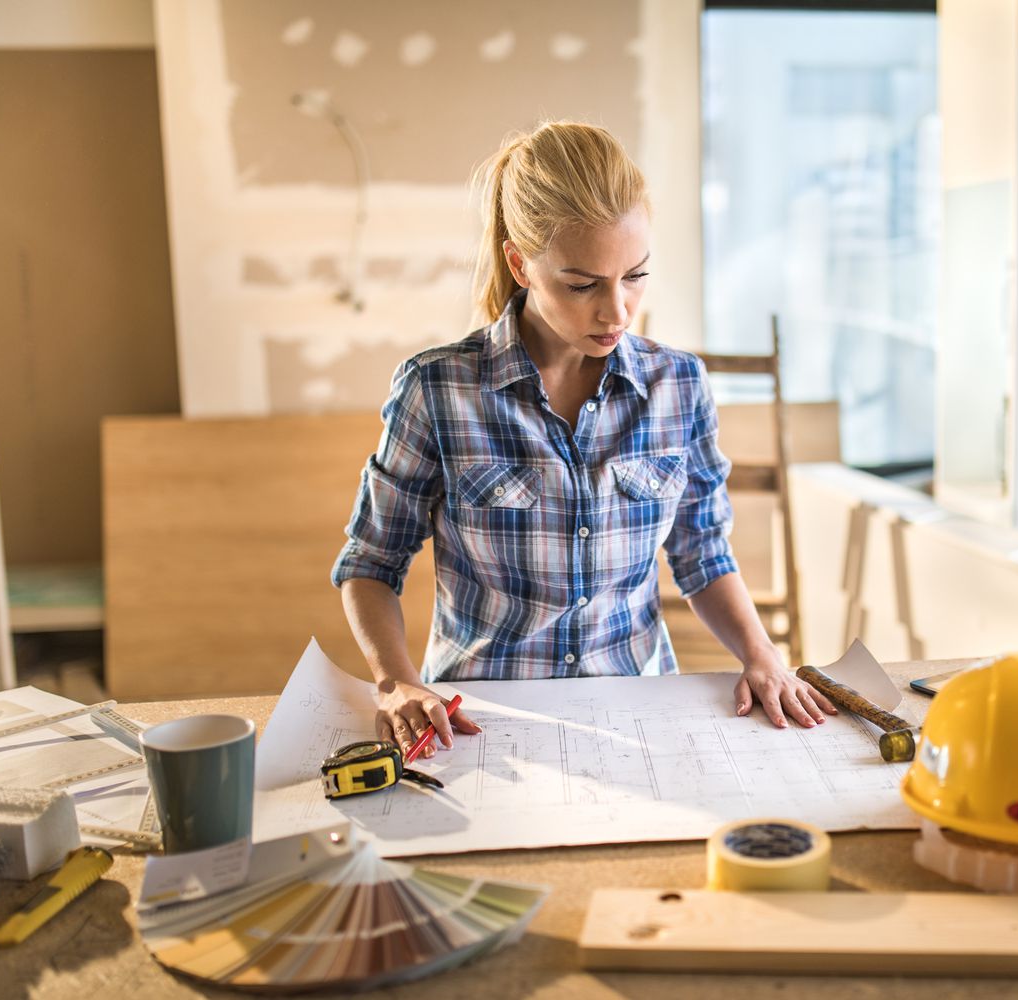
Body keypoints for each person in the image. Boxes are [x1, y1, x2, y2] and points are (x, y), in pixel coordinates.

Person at [332, 121, 836, 760]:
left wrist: (763, 656)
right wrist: (394, 682)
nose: (617, 311)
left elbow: (702, 552)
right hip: (480, 723)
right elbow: (371, 562)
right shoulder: (439, 389)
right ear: (521, 264)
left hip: (638, 714)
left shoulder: (678, 385)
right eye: (583, 284)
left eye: (636, 275)